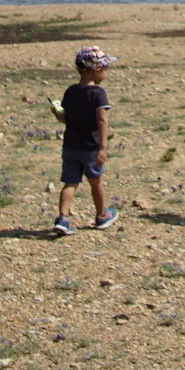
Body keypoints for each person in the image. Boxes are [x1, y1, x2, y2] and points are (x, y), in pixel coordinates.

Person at [54, 46, 121, 236]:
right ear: (96, 70)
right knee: (95, 181)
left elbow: (67, 119)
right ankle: (101, 215)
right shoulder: (98, 93)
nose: (106, 72)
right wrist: (103, 146)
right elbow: (101, 119)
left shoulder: (70, 91)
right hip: (90, 147)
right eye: (105, 68)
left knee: (70, 182)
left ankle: (63, 218)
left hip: (70, 146)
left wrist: (57, 113)